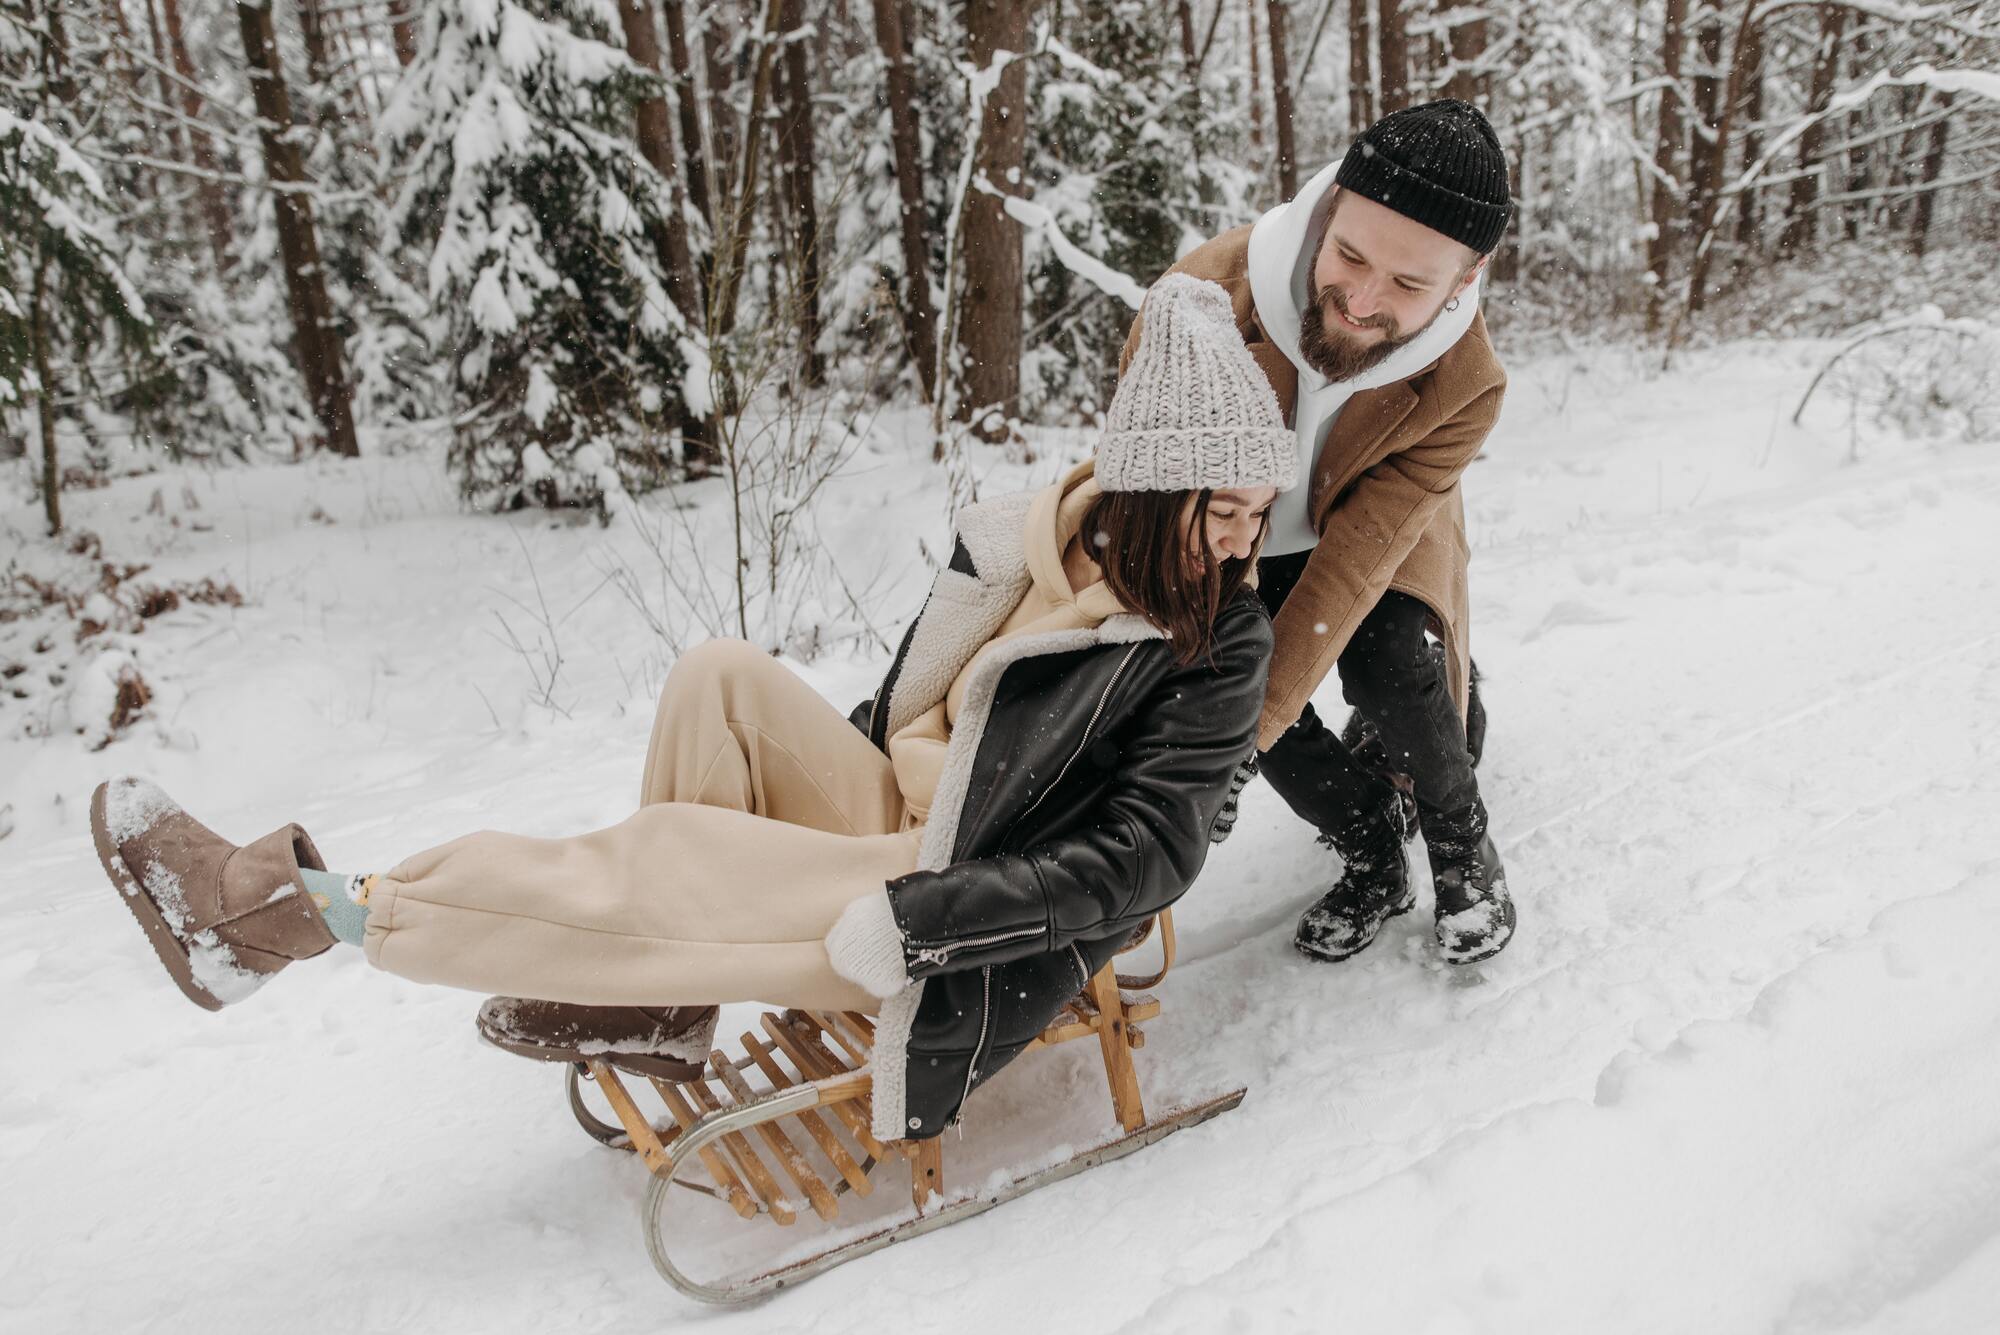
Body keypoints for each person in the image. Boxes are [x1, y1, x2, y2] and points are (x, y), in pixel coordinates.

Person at [88, 275, 1287, 1144]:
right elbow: (922, 704)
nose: (1242, 543)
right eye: (1219, 509)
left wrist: (923, 918)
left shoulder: (1217, 635)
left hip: (960, 882)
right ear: (1142, 486)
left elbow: (1145, 858)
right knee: (719, 674)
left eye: (1253, 511)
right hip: (909, 798)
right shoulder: (1042, 540)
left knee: (665, 854)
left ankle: (277, 915)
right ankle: (663, 986)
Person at [1123, 97, 1518, 966]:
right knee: (1231, 665)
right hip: (1238, 527)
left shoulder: (1468, 384)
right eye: (1349, 254)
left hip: (1377, 519)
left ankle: (1460, 839)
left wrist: (1252, 729)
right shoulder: (1197, 305)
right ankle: (1373, 846)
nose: (1361, 300)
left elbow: (1353, 569)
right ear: (1330, 207)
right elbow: (1147, 508)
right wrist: (1225, 733)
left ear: (1464, 280)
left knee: (1388, 654)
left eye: (1410, 285)